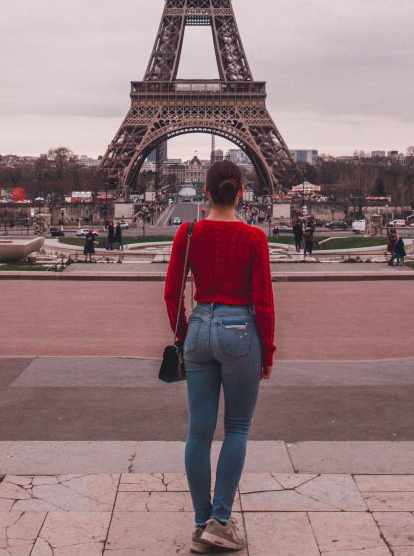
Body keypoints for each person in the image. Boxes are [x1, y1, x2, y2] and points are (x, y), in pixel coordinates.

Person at [164, 160, 274, 553]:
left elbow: (172, 293)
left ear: (205, 192)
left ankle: (200, 522)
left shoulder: (188, 232)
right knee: (238, 428)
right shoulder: (254, 237)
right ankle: (221, 521)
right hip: (240, 330)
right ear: (241, 191)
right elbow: (263, 303)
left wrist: (184, 334)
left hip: (199, 328)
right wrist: (267, 353)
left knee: (198, 431)